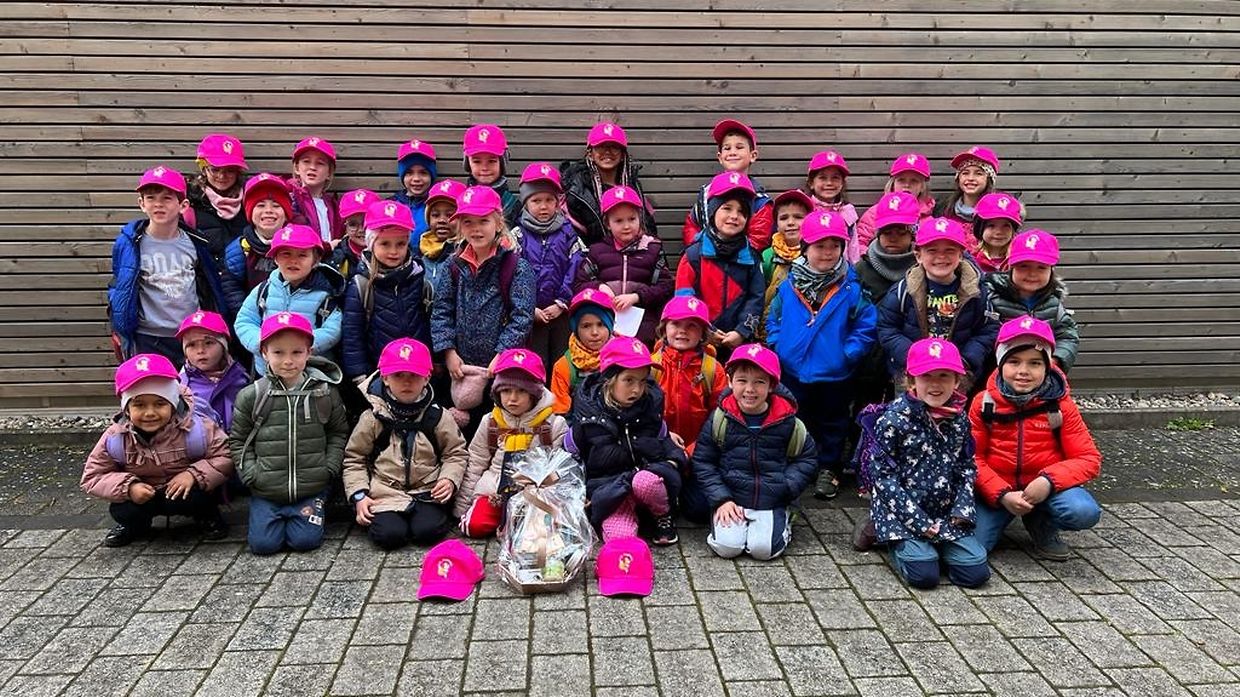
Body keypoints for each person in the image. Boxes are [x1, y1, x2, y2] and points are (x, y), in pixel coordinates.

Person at [766, 210, 878, 499]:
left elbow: (866, 325)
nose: (828, 252)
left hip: (834, 371)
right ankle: (800, 463)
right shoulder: (789, 285)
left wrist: (848, 353)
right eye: (820, 246)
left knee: (834, 421)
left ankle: (829, 467)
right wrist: (777, 344)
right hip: (793, 369)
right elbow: (774, 318)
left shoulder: (851, 288)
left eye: (834, 246)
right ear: (805, 248)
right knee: (796, 418)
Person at [970, 317, 1102, 560]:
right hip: (999, 487)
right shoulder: (983, 403)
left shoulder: (1060, 405)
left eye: (1035, 363)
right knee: (974, 547)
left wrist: (1048, 481)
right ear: (1000, 363)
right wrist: (1001, 494)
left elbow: (1088, 458)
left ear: (1047, 366)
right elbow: (971, 458)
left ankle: (1041, 523)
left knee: (1082, 511)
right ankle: (1003, 514)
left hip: (1044, 487)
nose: (1023, 371)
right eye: (1014, 361)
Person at [868, 338, 990, 589]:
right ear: (911, 381)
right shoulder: (892, 420)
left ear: (957, 381)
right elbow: (883, 478)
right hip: (902, 513)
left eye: (944, 376)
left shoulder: (960, 420)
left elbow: (966, 466)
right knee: (924, 576)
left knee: (975, 573)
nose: (935, 384)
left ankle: (938, 549)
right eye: (926, 376)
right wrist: (919, 522)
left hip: (945, 512)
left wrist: (962, 509)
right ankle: (892, 540)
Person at [229, 312, 350, 555]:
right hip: (266, 490)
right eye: (278, 352)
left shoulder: (324, 393)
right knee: (263, 546)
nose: (288, 361)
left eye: (296, 352)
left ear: (309, 352)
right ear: (264, 353)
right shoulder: (252, 395)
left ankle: (307, 514)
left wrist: (328, 468)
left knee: (305, 542)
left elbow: (338, 432)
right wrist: (251, 474)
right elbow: (239, 440)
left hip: (311, 488)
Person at [82, 353, 231, 547]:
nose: (150, 413)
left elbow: (226, 455)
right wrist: (128, 487)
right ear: (127, 409)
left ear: (173, 404)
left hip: (184, 490)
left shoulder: (197, 428)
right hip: (143, 494)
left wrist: (192, 475)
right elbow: (92, 476)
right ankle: (134, 525)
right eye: (139, 405)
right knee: (123, 510)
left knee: (200, 496)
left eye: (160, 404)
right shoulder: (115, 437)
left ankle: (207, 517)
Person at [691, 343, 817, 560]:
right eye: (742, 381)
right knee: (727, 547)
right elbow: (703, 461)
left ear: (772, 385)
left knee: (763, 551)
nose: (750, 389)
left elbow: (807, 458)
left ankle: (784, 517)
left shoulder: (788, 421)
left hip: (772, 499)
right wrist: (721, 499)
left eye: (759, 382)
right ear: (730, 381)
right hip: (732, 499)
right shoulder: (719, 419)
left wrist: (786, 487)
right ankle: (729, 523)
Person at [430, 185, 536, 437]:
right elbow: (441, 310)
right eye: (468, 222)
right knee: (462, 430)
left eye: (483, 221)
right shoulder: (452, 266)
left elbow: (522, 317)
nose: (476, 229)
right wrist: (448, 351)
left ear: (498, 223)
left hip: (500, 368)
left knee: (496, 429)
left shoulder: (516, 267)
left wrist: (502, 353)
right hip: (461, 367)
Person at [343, 338, 468, 549]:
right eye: (398, 375)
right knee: (389, 536)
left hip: (427, 491)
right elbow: (354, 459)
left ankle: (423, 517)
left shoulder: (438, 416)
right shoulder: (372, 417)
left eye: (414, 376)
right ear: (385, 378)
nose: (406, 382)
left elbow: (455, 453)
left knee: (427, 532)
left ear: (427, 377)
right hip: (384, 492)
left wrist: (449, 479)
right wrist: (359, 495)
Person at [569, 337, 687, 545]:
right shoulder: (588, 418)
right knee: (619, 539)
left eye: (642, 381)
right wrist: (578, 492)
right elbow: (571, 456)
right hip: (611, 489)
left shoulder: (650, 408)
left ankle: (662, 515)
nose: (637, 389)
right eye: (629, 380)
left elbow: (664, 440)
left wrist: (674, 461)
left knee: (645, 481)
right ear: (609, 379)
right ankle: (628, 519)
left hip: (648, 481)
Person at [108, 166, 227, 363]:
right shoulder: (129, 243)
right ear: (141, 204)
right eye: (151, 198)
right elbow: (120, 286)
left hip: (191, 335)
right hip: (148, 337)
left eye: (167, 198)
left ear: (183, 205)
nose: (158, 204)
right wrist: (121, 326)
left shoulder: (196, 243)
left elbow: (209, 287)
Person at [455, 349, 569, 537]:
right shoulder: (491, 422)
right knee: (475, 525)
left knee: (538, 532)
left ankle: (518, 522)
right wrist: (462, 506)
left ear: (534, 394)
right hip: (495, 491)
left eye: (521, 391)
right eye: (506, 391)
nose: (512, 398)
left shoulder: (553, 425)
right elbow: (476, 462)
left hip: (534, 493)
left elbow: (559, 469)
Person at [877, 217, 999, 386]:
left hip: (959, 376)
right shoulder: (902, 291)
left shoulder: (976, 291)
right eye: (932, 251)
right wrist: (912, 357)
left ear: (960, 255)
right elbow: (887, 328)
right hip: (913, 376)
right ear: (918, 256)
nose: (941, 257)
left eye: (950, 250)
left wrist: (966, 359)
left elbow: (988, 329)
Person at [674, 172, 766, 357]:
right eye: (727, 208)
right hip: (699, 343)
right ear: (713, 211)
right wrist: (705, 328)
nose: (734, 216)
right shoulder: (693, 255)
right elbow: (684, 297)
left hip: (738, 344)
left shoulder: (752, 257)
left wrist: (742, 331)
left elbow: (756, 298)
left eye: (742, 211)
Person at [234, 223, 344, 375]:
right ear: (275, 258)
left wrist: (299, 347)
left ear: (316, 260)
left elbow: (333, 330)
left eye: (302, 255)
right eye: (286, 254)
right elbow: (244, 321)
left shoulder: (326, 293)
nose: (293, 261)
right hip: (267, 371)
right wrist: (263, 344)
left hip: (310, 372)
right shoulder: (264, 289)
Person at [341, 200, 431, 383]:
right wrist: (359, 374)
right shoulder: (362, 284)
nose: (393, 251)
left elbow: (429, 325)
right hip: (377, 373)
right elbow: (352, 334)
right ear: (371, 244)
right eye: (385, 244)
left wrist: (435, 361)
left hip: (417, 371)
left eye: (400, 244)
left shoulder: (419, 279)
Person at [573, 186, 673, 344]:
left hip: (644, 329)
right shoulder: (597, 251)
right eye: (618, 221)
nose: (626, 226)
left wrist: (637, 297)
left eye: (632, 219)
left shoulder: (653, 249)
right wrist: (600, 287)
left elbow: (666, 287)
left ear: (640, 218)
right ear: (607, 223)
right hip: (604, 328)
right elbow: (579, 284)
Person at [852, 191, 921, 410]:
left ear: (912, 234)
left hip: (910, 357)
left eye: (901, 232)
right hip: (868, 360)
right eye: (887, 231)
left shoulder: (923, 269)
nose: (893, 238)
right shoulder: (862, 269)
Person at [512, 162, 582, 373]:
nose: (543, 206)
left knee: (562, 361)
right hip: (530, 314)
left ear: (558, 202)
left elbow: (575, 267)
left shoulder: (568, 233)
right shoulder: (517, 235)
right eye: (536, 200)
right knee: (535, 362)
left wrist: (562, 302)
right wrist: (528, 307)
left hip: (560, 312)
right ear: (525, 203)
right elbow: (512, 274)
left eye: (549, 200)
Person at [985, 230, 1080, 371]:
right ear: (1011, 267)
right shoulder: (990, 298)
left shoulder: (1054, 304)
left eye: (1041, 267)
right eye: (1024, 266)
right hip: (994, 374)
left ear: (1051, 271)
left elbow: (1068, 337)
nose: (1032, 274)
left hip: (1038, 375)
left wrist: (1056, 360)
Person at [650, 295, 726, 465]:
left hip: (701, 453)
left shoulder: (713, 369)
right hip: (658, 449)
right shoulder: (651, 366)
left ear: (702, 334)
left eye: (692, 325)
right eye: (676, 324)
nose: (682, 330)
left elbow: (718, 417)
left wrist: (692, 450)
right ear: (664, 329)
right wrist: (664, 436)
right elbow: (641, 413)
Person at [560, 121, 658, 246]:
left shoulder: (633, 185)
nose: (607, 152)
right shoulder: (577, 191)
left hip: (636, 256)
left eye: (614, 147)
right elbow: (574, 239)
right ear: (590, 153)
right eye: (601, 146)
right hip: (593, 256)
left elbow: (648, 228)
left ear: (622, 154)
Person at [682, 119, 774, 250]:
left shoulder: (760, 201)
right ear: (720, 157)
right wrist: (702, 251)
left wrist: (729, 256)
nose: (732, 152)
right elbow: (692, 226)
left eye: (739, 147)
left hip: (742, 261)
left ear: (753, 155)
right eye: (727, 148)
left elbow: (758, 240)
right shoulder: (706, 193)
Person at [221, 173, 295, 317]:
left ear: (286, 213)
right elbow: (232, 290)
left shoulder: (299, 245)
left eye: (276, 205)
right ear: (250, 212)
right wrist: (251, 318)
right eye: (260, 205)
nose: (268, 211)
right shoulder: (239, 249)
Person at [176, 310, 248, 432]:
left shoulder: (241, 379)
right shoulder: (181, 387)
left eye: (208, 343)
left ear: (223, 347)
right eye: (192, 345)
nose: (200, 350)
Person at [186, 133, 249, 269]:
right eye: (215, 169)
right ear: (204, 168)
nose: (221, 176)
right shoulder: (189, 202)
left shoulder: (250, 199)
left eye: (230, 170)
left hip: (243, 278)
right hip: (206, 278)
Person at [551, 289, 615, 415]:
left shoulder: (625, 358)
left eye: (601, 324)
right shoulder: (563, 366)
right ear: (576, 330)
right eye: (586, 326)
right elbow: (561, 412)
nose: (594, 332)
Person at [855, 153, 934, 252]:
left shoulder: (928, 221)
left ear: (922, 187)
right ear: (893, 183)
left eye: (914, 181)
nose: (907, 185)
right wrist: (872, 258)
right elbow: (859, 244)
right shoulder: (875, 213)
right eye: (901, 180)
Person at [934, 145, 1000, 245]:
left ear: (989, 179)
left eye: (978, 173)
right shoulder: (942, 210)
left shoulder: (998, 212)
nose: (970, 178)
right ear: (958, 178)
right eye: (965, 173)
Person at [804, 150, 860, 262]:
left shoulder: (848, 213)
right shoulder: (805, 210)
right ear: (811, 183)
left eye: (835, 178)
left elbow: (853, 249)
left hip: (842, 271)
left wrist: (853, 270)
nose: (829, 183)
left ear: (842, 183)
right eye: (822, 178)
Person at [462, 124, 521, 227]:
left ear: (502, 163)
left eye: (492, 161)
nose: (484, 167)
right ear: (468, 164)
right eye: (477, 161)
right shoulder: (460, 199)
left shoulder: (511, 204)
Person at [288, 136, 341, 243]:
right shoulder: (290, 201)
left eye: (320, 163)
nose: (312, 167)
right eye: (306, 161)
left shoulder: (334, 206)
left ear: (329, 173)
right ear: (297, 168)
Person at [390, 138, 438, 244]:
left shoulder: (437, 204)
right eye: (409, 173)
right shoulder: (391, 205)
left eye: (423, 173)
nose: (416, 179)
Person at [330, 188, 381, 281]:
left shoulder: (390, 253)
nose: (361, 230)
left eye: (367, 223)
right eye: (353, 224)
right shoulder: (336, 257)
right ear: (345, 226)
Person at [972, 192, 1024, 275]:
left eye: (1006, 226)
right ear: (980, 229)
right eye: (991, 226)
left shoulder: (1021, 258)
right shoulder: (971, 259)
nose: (999, 232)